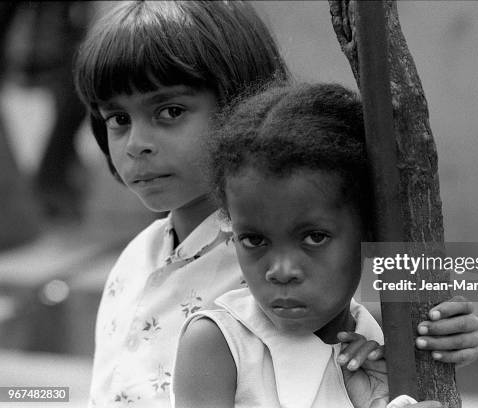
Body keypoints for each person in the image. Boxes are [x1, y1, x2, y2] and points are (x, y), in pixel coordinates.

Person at [73, 2, 478, 407]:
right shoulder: (134, 258)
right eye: (118, 119)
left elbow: (365, 360)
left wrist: (433, 335)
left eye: (170, 111)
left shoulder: (276, 281)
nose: (136, 144)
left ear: (239, 107)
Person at [174, 82, 445, 408]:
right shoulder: (220, 343)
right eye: (254, 240)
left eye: (314, 237)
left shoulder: (376, 345)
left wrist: (444, 342)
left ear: (370, 230)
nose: (282, 271)